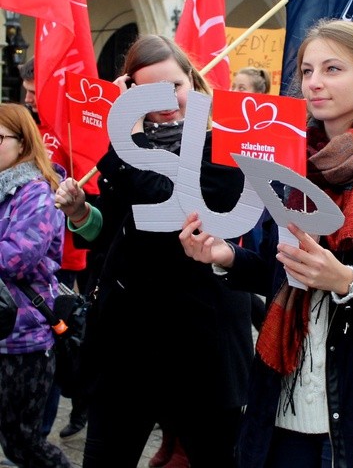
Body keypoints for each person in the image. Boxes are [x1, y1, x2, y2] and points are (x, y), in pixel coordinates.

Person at [178, 18, 353, 467]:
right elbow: (280, 272)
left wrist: (348, 281)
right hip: (283, 405)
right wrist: (228, 257)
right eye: (306, 71)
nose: (315, 83)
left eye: (333, 69)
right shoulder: (291, 162)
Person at [54, 34, 254, 468]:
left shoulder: (223, 144)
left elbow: (175, 213)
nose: (167, 101)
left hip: (200, 346)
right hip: (129, 346)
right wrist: (80, 212)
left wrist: (127, 142)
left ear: (193, 82)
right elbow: (114, 233)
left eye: (175, 86)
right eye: (148, 91)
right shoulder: (130, 146)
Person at [19, 56, 91, 440]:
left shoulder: (67, 126)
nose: (31, 98)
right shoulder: (26, 127)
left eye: (36, 91)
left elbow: (84, 180)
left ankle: (49, 423)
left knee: (61, 332)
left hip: (63, 251)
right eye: (28, 91)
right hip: (32, 254)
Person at [0, 103, 71, 467]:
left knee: (23, 442)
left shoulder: (37, 193)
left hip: (22, 338)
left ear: (23, 144)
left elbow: (15, 256)